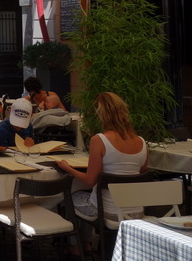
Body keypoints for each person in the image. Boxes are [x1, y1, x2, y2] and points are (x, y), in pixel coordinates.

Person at [56, 92, 147, 253]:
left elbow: (90, 180)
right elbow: (140, 173)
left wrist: (67, 168)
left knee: (70, 196)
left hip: (107, 210)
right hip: (135, 210)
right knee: (86, 195)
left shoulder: (99, 140)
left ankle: (77, 245)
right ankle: (85, 243)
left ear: (102, 114)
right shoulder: (141, 142)